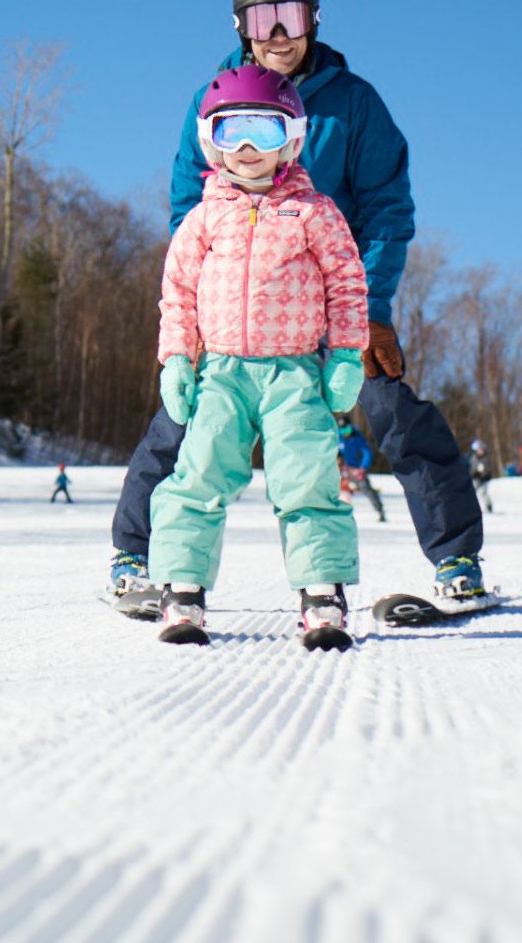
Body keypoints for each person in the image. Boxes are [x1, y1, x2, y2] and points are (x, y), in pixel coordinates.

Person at [109, 0, 493, 620]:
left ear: (315, 21)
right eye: (263, 20)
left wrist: (369, 313)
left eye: (293, 17)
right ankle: (135, 557)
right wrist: (206, 308)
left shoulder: (354, 103)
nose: (279, 34)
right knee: (187, 417)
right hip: (238, 307)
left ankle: (456, 559)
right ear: (241, 27)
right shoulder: (218, 100)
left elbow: (387, 209)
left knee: (390, 406)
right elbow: (188, 211)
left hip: (333, 306)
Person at [146, 63, 368, 649]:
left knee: (307, 480)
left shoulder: (315, 213)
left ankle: (321, 592)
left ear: (290, 139)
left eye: (263, 133)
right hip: (220, 371)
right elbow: (178, 295)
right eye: (230, 132)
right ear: (210, 142)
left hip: (294, 372)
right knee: (198, 475)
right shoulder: (202, 219)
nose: (246, 149)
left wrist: (347, 352)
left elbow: (347, 284)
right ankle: (183, 590)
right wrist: (177, 359)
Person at [338, 422, 386, 522]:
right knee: (340, 492)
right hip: (343, 469)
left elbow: (367, 453)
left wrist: (363, 467)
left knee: (367, 489)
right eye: (342, 431)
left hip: (356, 470)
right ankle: (341, 516)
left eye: (347, 430)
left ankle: (379, 511)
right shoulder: (339, 437)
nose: (345, 433)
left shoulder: (358, 438)